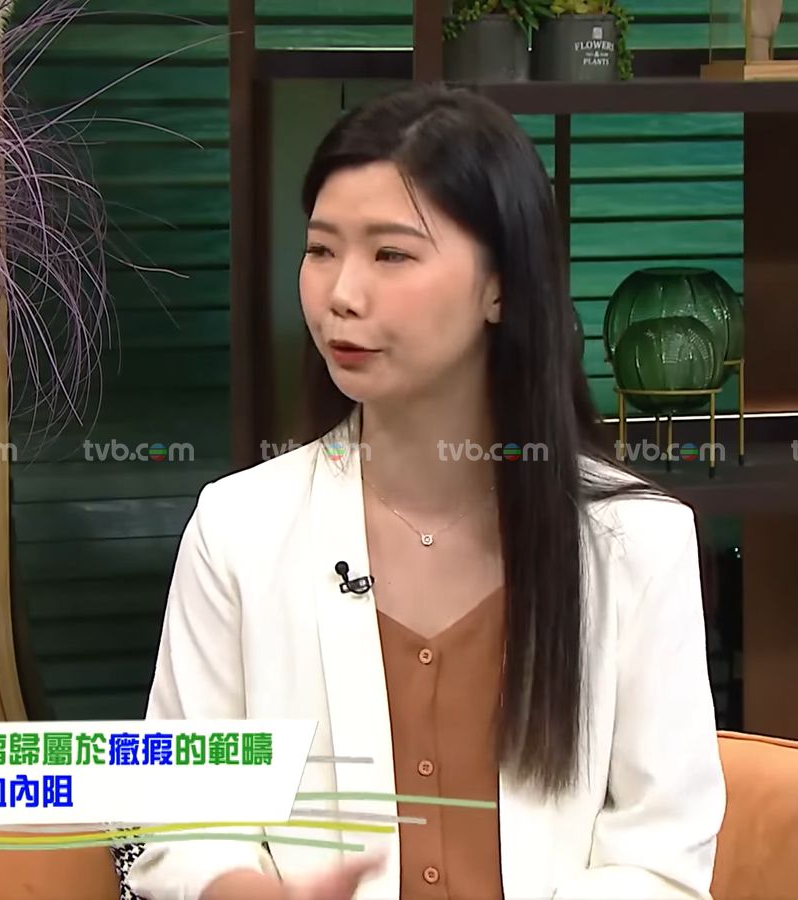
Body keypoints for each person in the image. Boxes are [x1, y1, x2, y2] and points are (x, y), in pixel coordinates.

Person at [115, 83, 725, 900]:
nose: (342, 294)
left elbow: (662, 859)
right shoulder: (240, 529)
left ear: (501, 286)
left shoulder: (635, 542)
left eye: (391, 255)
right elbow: (184, 822)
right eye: (321, 250)